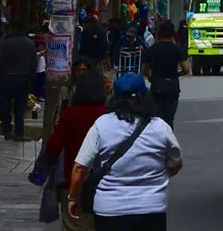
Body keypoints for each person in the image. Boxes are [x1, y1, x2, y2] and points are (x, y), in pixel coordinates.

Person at [69, 72, 182, 231]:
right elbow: (176, 164)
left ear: (115, 98)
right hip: (151, 208)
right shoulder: (160, 127)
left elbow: (79, 168)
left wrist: (73, 197)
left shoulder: (101, 125)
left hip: (110, 210)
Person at [45, 67, 108, 230]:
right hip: (104, 182)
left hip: (71, 178)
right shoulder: (109, 114)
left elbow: (53, 146)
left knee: (73, 224)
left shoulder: (70, 114)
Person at [141, 20, 190, 127]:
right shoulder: (177, 49)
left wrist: (150, 77)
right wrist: (178, 74)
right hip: (172, 86)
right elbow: (186, 69)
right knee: (169, 119)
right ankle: (168, 140)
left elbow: (144, 70)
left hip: (157, 86)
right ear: (173, 33)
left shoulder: (152, 49)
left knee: (157, 119)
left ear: (158, 33)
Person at [0, 21, 37, 141]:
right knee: (20, 108)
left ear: (14, 29)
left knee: (5, 106)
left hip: (6, 78)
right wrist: (31, 78)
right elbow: (33, 63)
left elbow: (0, 63)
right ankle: (19, 133)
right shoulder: (30, 43)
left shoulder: (5, 43)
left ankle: (7, 131)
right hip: (23, 79)